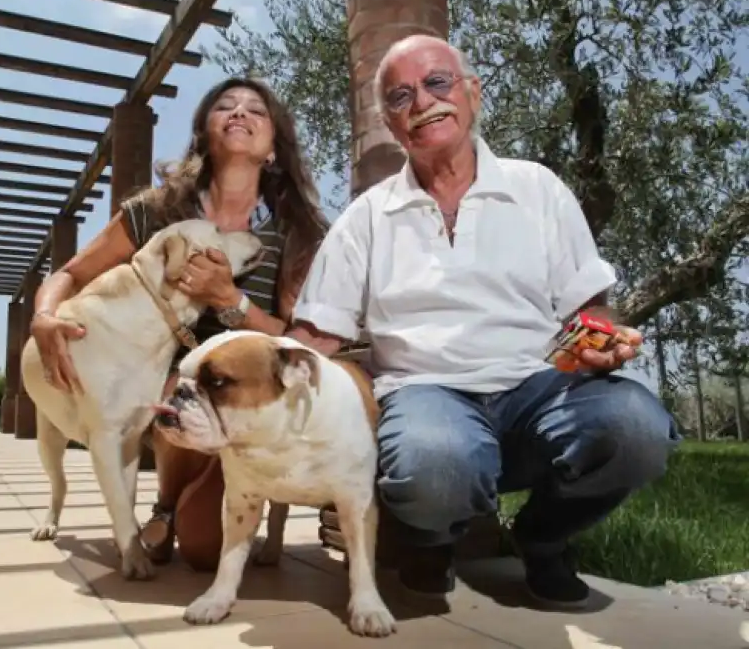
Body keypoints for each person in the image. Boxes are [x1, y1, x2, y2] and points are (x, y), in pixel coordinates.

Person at [287, 35, 680, 609]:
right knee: (433, 463)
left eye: (437, 82)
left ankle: (544, 538)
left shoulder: (537, 188)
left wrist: (602, 342)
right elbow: (317, 336)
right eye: (401, 96)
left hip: (537, 387)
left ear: (473, 93)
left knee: (637, 428)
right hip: (425, 393)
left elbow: (589, 307)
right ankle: (430, 537)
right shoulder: (366, 217)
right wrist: (236, 372)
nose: (422, 101)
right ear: (392, 125)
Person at [30, 77, 329, 570]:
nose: (239, 113)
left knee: (208, 540)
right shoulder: (156, 211)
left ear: (274, 148)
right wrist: (44, 317)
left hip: (252, 392)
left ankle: (236, 482)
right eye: (224, 106)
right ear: (202, 134)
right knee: (202, 551)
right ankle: (169, 503)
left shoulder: (296, 228)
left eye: (256, 110)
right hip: (169, 392)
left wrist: (229, 300)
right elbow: (70, 273)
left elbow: (301, 343)